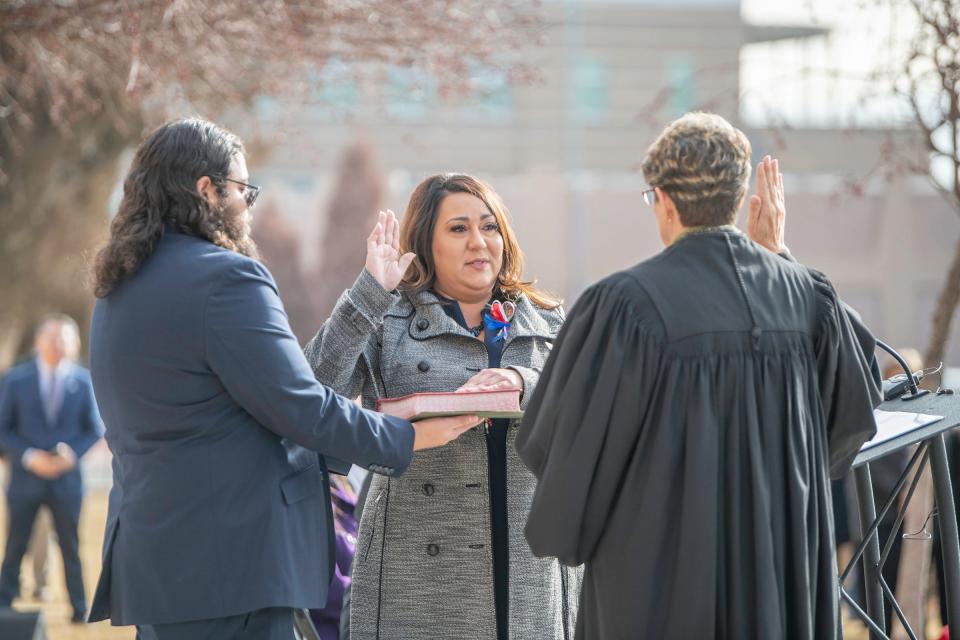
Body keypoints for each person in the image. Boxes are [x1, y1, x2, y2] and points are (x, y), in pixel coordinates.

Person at [86, 118, 478, 639]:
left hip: (156, 565)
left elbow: (219, 421)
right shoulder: (228, 278)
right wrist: (406, 435)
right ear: (208, 190)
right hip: (234, 566)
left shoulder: (118, 291)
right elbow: (301, 408)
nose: (249, 206)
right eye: (245, 190)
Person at [516, 112, 882, 639]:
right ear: (738, 197)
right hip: (779, 584)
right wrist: (778, 255)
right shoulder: (807, 298)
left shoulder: (623, 307)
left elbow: (564, 452)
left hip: (657, 589)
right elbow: (850, 416)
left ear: (662, 199)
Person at [304, 174, 581, 639]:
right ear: (426, 244)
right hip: (417, 580)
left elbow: (591, 411)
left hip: (530, 578)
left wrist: (522, 382)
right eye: (458, 229)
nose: (479, 241)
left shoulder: (548, 320)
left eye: (489, 226)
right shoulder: (388, 320)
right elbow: (311, 392)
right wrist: (369, 293)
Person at [0, 313, 103, 623]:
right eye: (53, 338)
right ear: (38, 341)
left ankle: (79, 609)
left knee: (71, 548)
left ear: (75, 344)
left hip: (67, 481)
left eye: (65, 339)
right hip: (25, 479)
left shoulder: (84, 382)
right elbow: (3, 429)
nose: (59, 344)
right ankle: (4, 607)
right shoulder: (16, 380)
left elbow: (94, 429)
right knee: (15, 545)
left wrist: (71, 456)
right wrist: (31, 457)